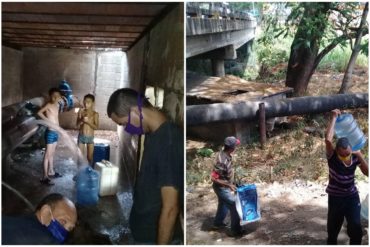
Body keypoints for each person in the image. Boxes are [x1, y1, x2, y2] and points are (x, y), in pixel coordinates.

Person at [107, 88, 183, 244]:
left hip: (153, 238)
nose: (126, 129)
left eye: (124, 123)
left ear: (135, 111)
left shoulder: (169, 142)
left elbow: (170, 209)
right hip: (143, 231)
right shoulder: (153, 134)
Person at [325, 109, 368, 244]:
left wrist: (360, 155)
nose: (346, 157)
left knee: (355, 227)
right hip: (336, 198)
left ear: (352, 149)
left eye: (348, 153)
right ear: (337, 151)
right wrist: (333, 117)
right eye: (343, 155)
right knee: (333, 230)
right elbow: (328, 140)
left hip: (351, 196)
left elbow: (367, 173)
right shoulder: (332, 157)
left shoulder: (355, 156)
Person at [2, 193, 77, 244]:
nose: (65, 232)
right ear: (45, 212)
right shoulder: (46, 240)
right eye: (63, 222)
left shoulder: (10, 222)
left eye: (69, 229)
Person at [211, 136, 243, 237]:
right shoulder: (222, 160)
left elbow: (226, 173)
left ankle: (217, 223)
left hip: (224, 186)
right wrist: (229, 185)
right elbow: (214, 178)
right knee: (235, 206)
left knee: (223, 204)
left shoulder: (227, 155)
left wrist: (234, 182)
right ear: (232, 148)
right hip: (221, 188)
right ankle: (235, 230)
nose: (236, 147)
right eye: (235, 145)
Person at [37, 88, 63, 185]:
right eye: (53, 96)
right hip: (50, 133)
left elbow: (56, 118)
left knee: (52, 153)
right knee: (47, 155)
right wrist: (46, 120)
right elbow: (39, 112)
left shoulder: (57, 105)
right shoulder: (49, 105)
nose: (55, 97)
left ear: (60, 97)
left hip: (56, 132)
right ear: (50, 96)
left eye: (57, 96)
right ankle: (44, 177)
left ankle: (51, 171)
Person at [76, 94, 99, 165]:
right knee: (80, 157)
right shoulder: (81, 112)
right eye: (85, 102)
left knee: (89, 157)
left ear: (93, 103)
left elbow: (96, 127)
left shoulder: (95, 114)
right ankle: (80, 173)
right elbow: (77, 125)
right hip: (81, 137)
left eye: (88, 102)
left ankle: (90, 171)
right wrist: (82, 120)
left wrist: (88, 122)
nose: (86, 104)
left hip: (90, 137)